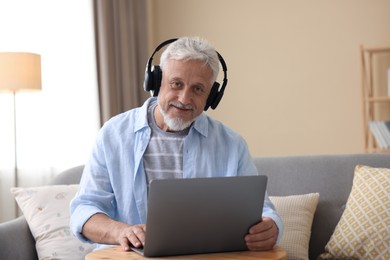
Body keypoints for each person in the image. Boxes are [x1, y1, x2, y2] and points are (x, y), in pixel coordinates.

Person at [70, 36, 283, 252]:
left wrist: (271, 227)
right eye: (176, 84)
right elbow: (84, 210)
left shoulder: (232, 145)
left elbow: (262, 210)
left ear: (211, 96)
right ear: (156, 81)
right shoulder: (113, 134)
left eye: (198, 89)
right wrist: (120, 231)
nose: (184, 98)